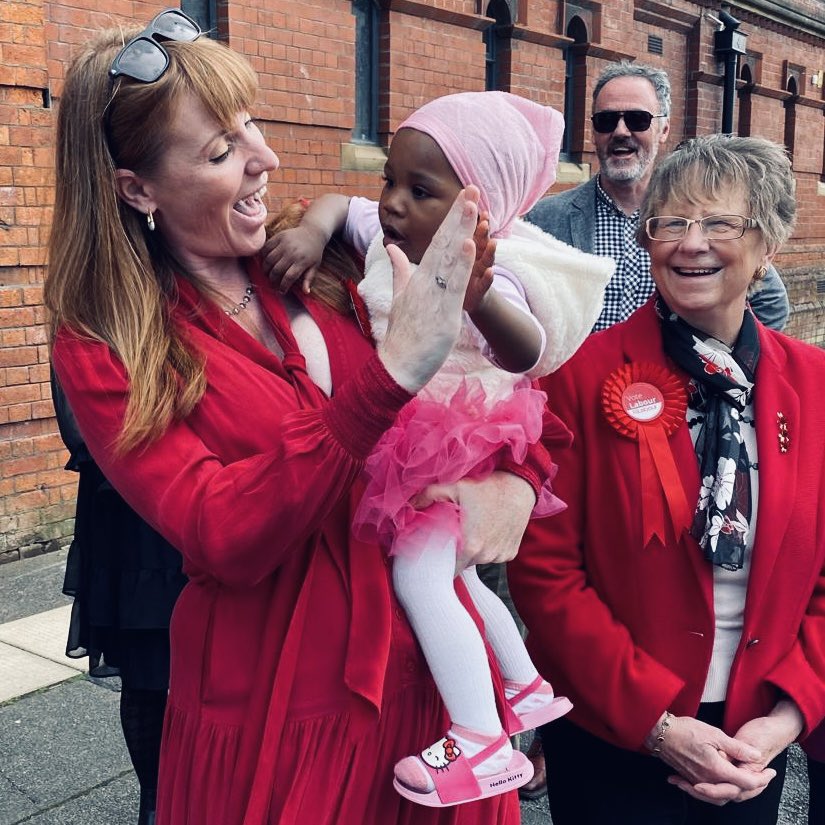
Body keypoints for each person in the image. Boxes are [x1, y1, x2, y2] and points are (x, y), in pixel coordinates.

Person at [44, 11, 558, 825]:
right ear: (137, 189)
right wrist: (384, 381)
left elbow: (501, 384)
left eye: (252, 126)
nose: (264, 159)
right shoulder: (105, 343)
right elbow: (220, 528)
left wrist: (515, 488)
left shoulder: (323, 255)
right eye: (219, 151)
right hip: (280, 701)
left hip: (431, 691)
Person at [264, 91, 613, 806]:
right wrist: (310, 231)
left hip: (457, 445)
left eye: (420, 190)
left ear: (479, 210)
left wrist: (478, 295)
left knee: (421, 580)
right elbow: (339, 202)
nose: (391, 201)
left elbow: (529, 353)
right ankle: (522, 683)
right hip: (414, 434)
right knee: (458, 579)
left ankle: (483, 741)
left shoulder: (497, 265)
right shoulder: (387, 228)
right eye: (389, 177)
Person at [508, 133, 825, 825]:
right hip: (611, 735)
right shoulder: (576, 376)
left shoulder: (815, 384)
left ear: (768, 245)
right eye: (670, 222)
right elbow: (546, 572)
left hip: (749, 747)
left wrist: (781, 721)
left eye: (718, 222)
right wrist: (657, 723)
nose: (689, 242)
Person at [526, 60, 789, 333]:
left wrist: (723, 364)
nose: (620, 131)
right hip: (580, 374)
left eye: (637, 119)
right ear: (594, 132)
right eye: (606, 121)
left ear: (663, 130)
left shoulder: (693, 220)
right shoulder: (546, 218)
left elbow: (770, 301)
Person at [51, 373, 186, 825]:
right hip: (131, 506)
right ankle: (156, 803)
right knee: (145, 669)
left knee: (224, 660)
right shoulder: (92, 307)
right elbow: (79, 424)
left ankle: (193, 792)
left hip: (198, 490)